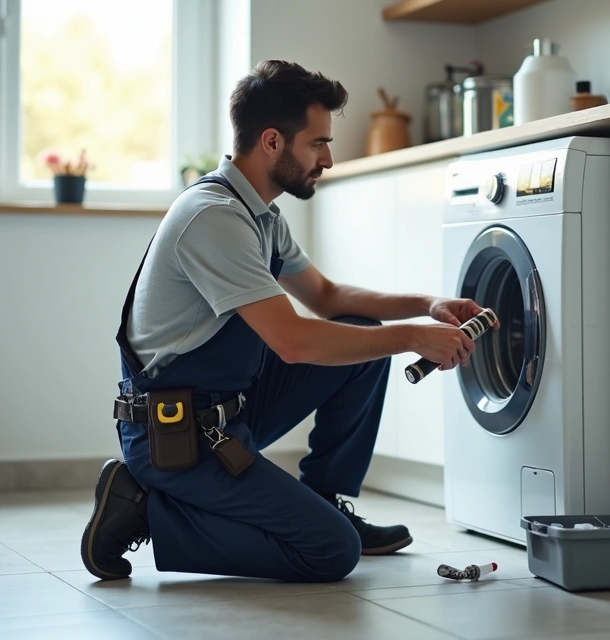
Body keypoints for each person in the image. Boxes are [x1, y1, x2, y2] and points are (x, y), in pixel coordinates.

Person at [79, 60, 488, 583]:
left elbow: (327, 296)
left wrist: (426, 305)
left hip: (230, 408)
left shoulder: (261, 214)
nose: (330, 159)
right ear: (272, 141)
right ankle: (143, 509)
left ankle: (322, 497)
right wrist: (410, 338)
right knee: (331, 552)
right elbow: (292, 342)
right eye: (317, 144)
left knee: (362, 337)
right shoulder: (214, 218)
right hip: (175, 435)